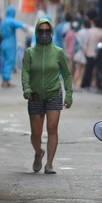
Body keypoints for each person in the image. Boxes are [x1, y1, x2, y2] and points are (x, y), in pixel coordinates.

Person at [21, 17, 73, 174]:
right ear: (36, 33)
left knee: (52, 128)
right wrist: (26, 89)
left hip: (54, 94)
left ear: (52, 32)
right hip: (35, 96)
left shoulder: (58, 52)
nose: (44, 34)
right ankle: (39, 152)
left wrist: (69, 94)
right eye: (41, 31)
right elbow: (25, 73)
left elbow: (67, 74)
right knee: (36, 134)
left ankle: (49, 163)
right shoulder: (29, 53)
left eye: (47, 31)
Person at [0, 5, 29, 88]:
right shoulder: (10, 21)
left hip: (3, 43)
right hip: (10, 44)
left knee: (4, 62)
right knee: (10, 61)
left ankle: (5, 80)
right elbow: (19, 24)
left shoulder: (3, 21)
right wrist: (26, 26)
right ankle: (6, 80)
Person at [80, 10, 102, 91]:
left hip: (89, 53)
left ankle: (86, 85)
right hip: (99, 54)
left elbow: (86, 42)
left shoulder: (90, 31)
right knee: (98, 70)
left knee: (88, 70)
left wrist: (85, 51)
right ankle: (97, 85)